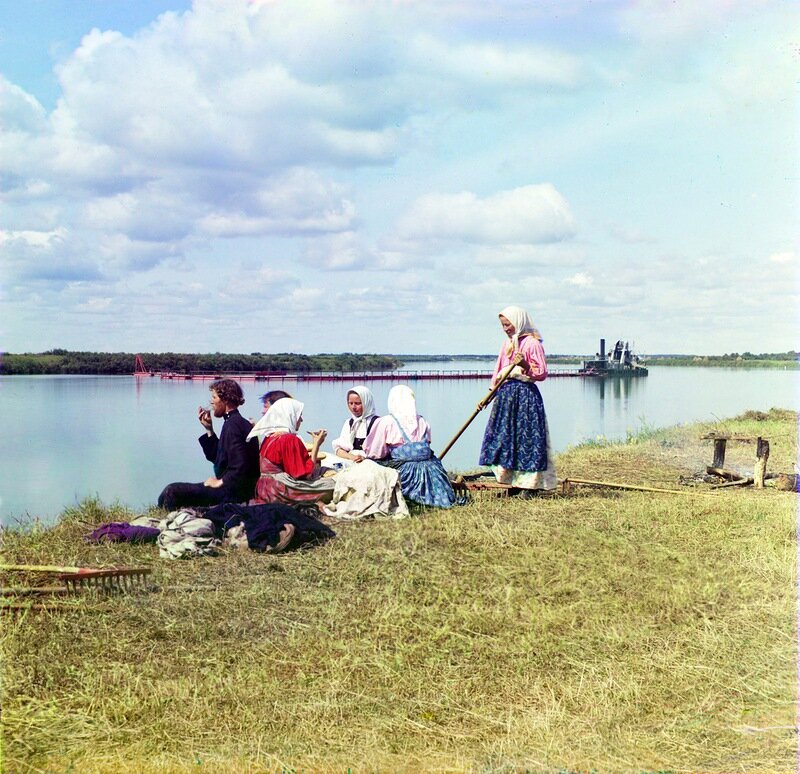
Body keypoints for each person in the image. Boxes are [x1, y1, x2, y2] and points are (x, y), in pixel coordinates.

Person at [479, 305, 557, 496]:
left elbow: (541, 373)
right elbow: (498, 372)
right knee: (506, 440)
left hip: (525, 398)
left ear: (519, 322)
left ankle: (529, 487)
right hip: (506, 396)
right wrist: (489, 395)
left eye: (509, 325)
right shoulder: (507, 345)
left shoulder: (532, 344)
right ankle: (512, 483)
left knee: (527, 440)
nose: (506, 329)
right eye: (503, 326)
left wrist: (525, 365)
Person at [158, 379, 260, 510]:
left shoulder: (233, 425)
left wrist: (220, 482)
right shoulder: (237, 422)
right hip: (237, 489)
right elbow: (220, 458)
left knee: (171, 491)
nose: (211, 401)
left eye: (214, 397)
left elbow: (241, 465)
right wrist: (209, 429)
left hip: (233, 493)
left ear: (226, 399)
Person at [363, 385, 456, 508]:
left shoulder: (387, 422)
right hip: (431, 469)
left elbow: (375, 452)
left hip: (405, 472)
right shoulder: (423, 421)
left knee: (369, 463)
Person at [247, 397, 335, 508]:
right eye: (299, 416)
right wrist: (316, 444)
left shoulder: (269, 437)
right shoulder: (289, 439)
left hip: (264, 489)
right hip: (280, 491)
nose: (301, 420)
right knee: (333, 485)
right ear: (290, 416)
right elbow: (306, 475)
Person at [331, 386, 380, 463]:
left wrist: (364, 458)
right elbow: (338, 449)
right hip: (351, 461)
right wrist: (351, 457)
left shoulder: (377, 423)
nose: (353, 407)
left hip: (370, 464)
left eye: (357, 403)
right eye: (351, 403)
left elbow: (381, 452)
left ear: (366, 403)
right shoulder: (349, 423)